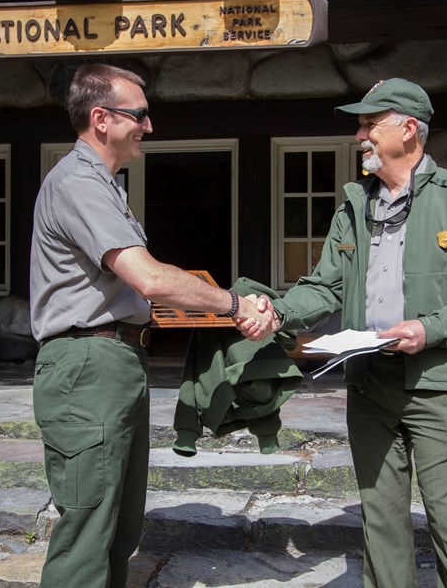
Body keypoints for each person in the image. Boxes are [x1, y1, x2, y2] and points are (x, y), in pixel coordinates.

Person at [239, 78, 447, 587]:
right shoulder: (353, 205)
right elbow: (323, 286)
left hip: (440, 386)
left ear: (409, 129)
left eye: (371, 124)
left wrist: (430, 329)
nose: (359, 136)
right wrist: (278, 313)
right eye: (361, 125)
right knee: (381, 523)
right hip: (369, 386)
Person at [29, 63, 271, 588]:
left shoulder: (103, 184)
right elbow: (148, 278)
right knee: (88, 533)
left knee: (117, 529)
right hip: (87, 366)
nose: (149, 125)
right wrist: (233, 304)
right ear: (100, 118)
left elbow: (136, 290)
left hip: (111, 362)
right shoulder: (78, 182)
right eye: (138, 114)